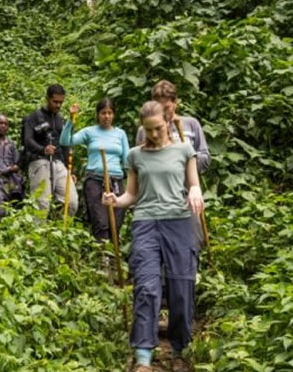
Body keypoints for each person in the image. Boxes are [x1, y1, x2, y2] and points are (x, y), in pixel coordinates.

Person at [103, 101, 205, 372]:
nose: (154, 135)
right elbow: (131, 195)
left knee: (181, 287)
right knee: (147, 287)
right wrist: (115, 200)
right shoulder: (136, 155)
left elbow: (193, 183)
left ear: (168, 122)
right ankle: (144, 360)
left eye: (158, 128)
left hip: (179, 222)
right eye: (148, 130)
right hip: (146, 223)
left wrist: (196, 193)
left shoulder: (184, 150)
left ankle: (179, 351)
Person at [135, 80, 211, 251]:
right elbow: (140, 165)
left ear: (175, 103)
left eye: (167, 107)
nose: (164, 112)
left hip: (187, 195)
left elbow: (206, 157)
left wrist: (186, 162)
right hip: (157, 198)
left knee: (194, 240)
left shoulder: (191, 124)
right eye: (159, 107)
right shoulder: (144, 131)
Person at [61, 98, 130, 242]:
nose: (106, 116)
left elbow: (127, 160)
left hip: (116, 180)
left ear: (113, 115)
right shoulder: (90, 132)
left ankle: (113, 259)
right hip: (95, 180)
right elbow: (65, 141)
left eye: (109, 113)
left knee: (116, 223)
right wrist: (70, 120)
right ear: (98, 115)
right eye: (103, 113)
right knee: (101, 221)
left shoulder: (120, 134)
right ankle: (102, 258)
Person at [21, 84, 78, 216]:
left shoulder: (60, 119)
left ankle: (60, 232)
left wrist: (71, 170)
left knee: (72, 202)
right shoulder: (33, 117)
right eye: (55, 102)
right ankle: (37, 234)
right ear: (47, 99)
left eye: (61, 102)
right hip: (39, 161)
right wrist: (43, 149)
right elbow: (27, 140)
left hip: (59, 162)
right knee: (41, 203)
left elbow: (65, 145)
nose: (58, 105)